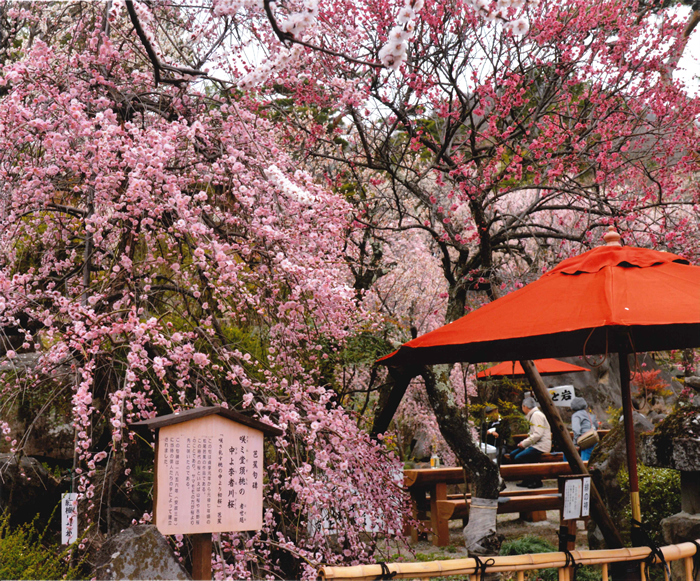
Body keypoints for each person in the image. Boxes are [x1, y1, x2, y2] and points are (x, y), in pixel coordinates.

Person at [505, 396, 552, 488]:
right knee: (513, 455)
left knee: (519, 457)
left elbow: (537, 434)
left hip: (541, 446)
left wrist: (524, 443)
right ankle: (527, 479)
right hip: (536, 444)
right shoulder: (534, 415)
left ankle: (536, 480)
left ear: (525, 406)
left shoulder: (536, 415)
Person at [570, 396, 597, 461]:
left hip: (585, 441)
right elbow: (595, 425)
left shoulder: (576, 415)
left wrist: (576, 443)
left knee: (584, 462)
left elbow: (576, 429)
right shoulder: (588, 414)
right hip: (593, 439)